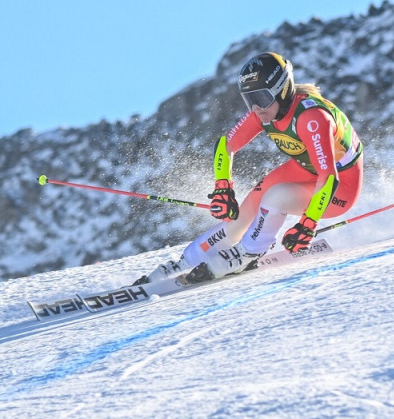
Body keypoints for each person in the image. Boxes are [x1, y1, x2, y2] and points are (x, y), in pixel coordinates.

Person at [135, 51, 364, 285]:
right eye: (249, 99)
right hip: (305, 168)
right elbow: (226, 146)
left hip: (340, 187)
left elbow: (328, 178)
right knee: (244, 212)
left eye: (261, 98)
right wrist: (223, 187)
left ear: (282, 90)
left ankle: (249, 252)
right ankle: (186, 262)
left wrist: (308, 223)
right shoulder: (264, 112)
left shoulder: (312, 117)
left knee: (276, 197)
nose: (256, 107)